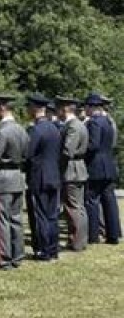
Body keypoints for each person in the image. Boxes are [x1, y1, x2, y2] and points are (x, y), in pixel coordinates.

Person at [0, 93, 29, 270]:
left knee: (1, 220)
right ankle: (18, 255)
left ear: (2, 108)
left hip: (2, 178)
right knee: (16, 219)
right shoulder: (22, 129)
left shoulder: (1, 131)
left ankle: (4, 257)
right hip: (17, 177)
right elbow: (27, 154)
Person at [24, 93, 63, 261]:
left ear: (34, 108)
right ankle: (53, 248)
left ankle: (43, 249)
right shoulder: (55, 128)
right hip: (54, 175)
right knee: (52, 215)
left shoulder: (36, 130)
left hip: (39, 176)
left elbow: (28, 154)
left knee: (40, 214)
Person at [84, 93, 121, 244]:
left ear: (91, 107)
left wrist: (82, 152)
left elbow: (93, 145)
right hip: (109, 165)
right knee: (109, 200)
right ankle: (113, 234)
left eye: (86, 107)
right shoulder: (107, 121)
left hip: (96, 166)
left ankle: (93, 235)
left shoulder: (94, 123)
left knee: (92, 200)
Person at [56, 96, 89, 251]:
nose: (58, 113)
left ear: (65, 109)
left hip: (71, 170)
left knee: (73, 207)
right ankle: (80, 239)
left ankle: (76, 240)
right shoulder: (79, 124)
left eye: (59, 110)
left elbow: (67, 151)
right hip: (78, 169)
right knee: (78, 206)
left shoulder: (73, 126)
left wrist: (57, 164)